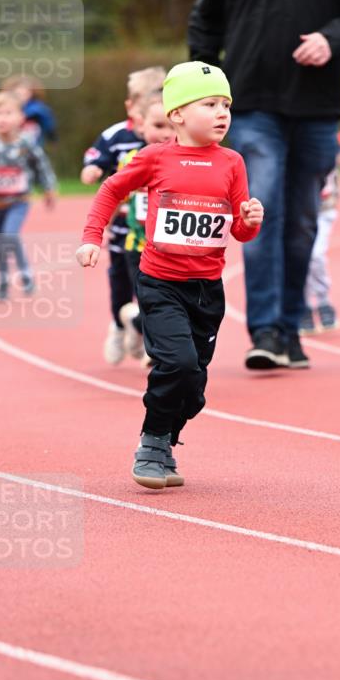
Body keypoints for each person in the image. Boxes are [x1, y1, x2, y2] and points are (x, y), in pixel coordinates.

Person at [76, 62, 263, 489]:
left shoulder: (232, 162)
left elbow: (239, 231)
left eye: (226, 105)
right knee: (175, 363)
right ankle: (153, 444)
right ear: (177, 114)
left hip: (207, 290)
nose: (222, 113)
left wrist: (251, 219)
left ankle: (168, 436)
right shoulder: (156, 157)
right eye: (210, 104)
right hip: (160, 283)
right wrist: (92, 237)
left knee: (194, 386)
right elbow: (111, 189)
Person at [188, 0, 340, 370]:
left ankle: (290, 327)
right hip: (251, 107)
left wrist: (332, 39)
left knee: (301, 222)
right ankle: (264, 332)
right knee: (261, 213)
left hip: (317, 110)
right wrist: (206, 81)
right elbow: (204, 21)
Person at [80, 67, 165, 365]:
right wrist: (92, 169)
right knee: (120, 287)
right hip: (122, 230)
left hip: (157, 235)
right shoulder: (117, 137)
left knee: (151, 290)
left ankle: (145, 336)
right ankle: (119, 326)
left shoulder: (169, 139)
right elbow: (97, 158)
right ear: (132, 106)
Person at [0, 91, 57, 300]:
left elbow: (41, 166)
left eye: (7, 113)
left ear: (20, 118)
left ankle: (25, 275)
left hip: (18, 201)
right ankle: (4, 281)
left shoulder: (26, 142)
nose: (2, 118)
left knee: (9, 235)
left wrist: (49, 189)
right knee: (0, 241)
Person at [119, 94, 176, 363]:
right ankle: (155, 350)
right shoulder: (132, 159)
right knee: (151, 303)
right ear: (142, 127)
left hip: (172, 250)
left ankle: (137, 326)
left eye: (170, 127)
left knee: (167, 307)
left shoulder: (184, 161)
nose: (165, 134)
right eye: (157, 126)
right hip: (138, 245)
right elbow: (115, 193)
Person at [300, 132, 340, 336]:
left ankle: (323, 301)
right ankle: (303, 306)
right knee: (300, 256)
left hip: (324, 210)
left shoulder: (330, 136)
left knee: (315, 255)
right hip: (301, 210)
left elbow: (338, 166)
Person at [2, 76, 58, 147]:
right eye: (17, 93)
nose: (20, 97)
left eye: (24, 94)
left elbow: (45, 119)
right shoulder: (7, 107)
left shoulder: (37, 106)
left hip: (34, 145)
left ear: (31, 94)